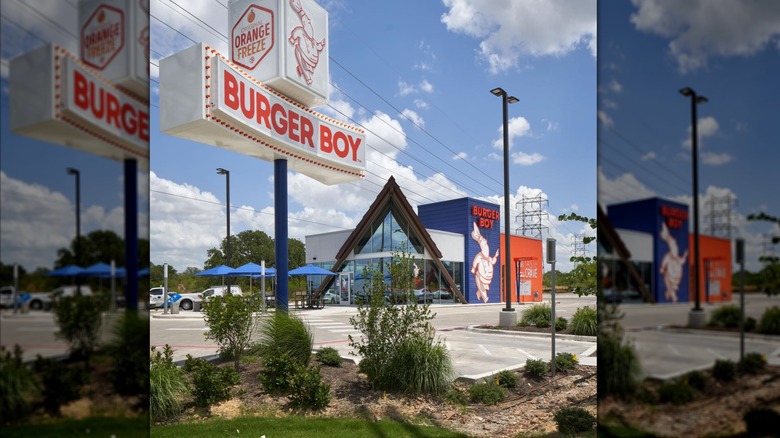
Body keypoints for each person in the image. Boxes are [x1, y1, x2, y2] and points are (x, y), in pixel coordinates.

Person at [659, 222, 688, 302]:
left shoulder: (673, 257)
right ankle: (672, 295)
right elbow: (665, 263)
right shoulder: (670, 256)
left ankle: (671, 295)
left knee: (672, 241)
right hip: (672, 274)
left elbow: (681, 261)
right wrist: (662, 267)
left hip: (673, 274)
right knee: (672, 241)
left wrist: (684, 256)